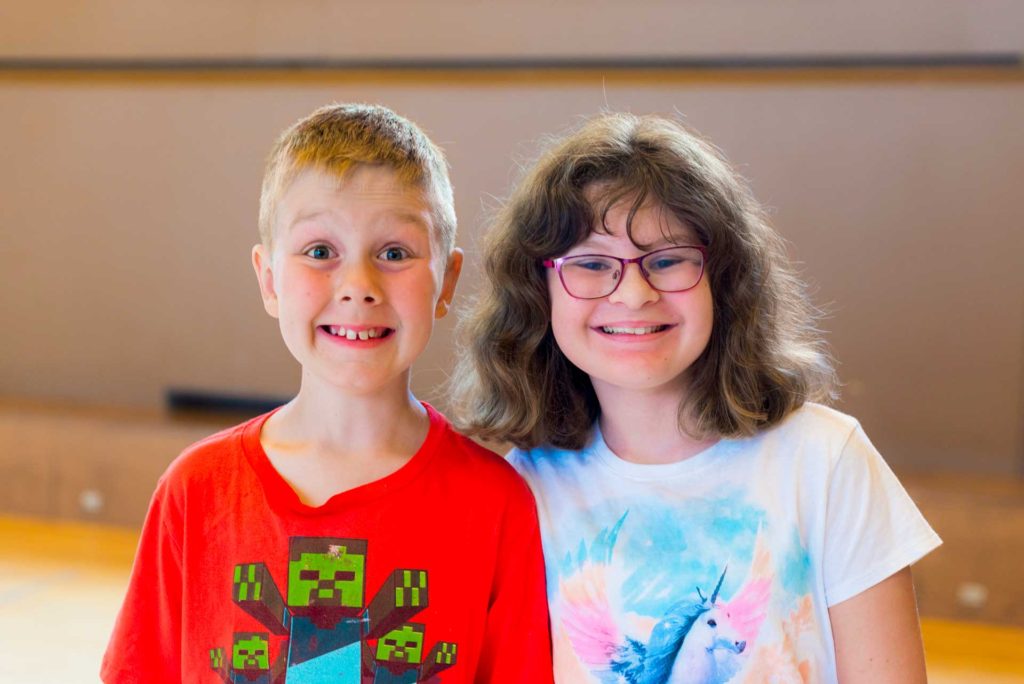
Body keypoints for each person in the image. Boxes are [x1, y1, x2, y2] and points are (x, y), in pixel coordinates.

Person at [451, 112, 940, 683]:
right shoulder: (520, 488)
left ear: (724, 281)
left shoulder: (825, 460)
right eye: (591, 264)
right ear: (538, 294)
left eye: (666, 260)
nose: (633, 294)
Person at [102, 103, 552, 684]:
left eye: (394, 253)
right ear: (269, 280)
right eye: (320, 252)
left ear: (448, 281)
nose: (358, 287)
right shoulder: (195, 493)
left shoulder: (497, 506)